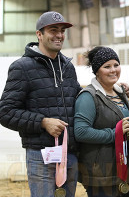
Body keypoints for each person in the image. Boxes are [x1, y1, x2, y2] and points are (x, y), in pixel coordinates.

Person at [0, 11, 81, 197]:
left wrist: (113, 91)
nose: (59, 35)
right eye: (53, 30)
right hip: (40, 155)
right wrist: (43, 122)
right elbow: (5, 112)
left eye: (62, 30)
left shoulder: (68, 67)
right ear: (39, 34)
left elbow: (79, 98)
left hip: (70, 154)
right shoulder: (22, 67)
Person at [74, 46, 129, 197]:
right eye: (107, 66)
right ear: (97, 71)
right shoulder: (88, 96)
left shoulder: (120, 93)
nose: (113, 70)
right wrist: (115, 134)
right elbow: (81, 132)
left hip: (121, 168)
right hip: (100, 172)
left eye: (116, 65)